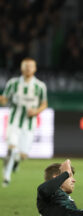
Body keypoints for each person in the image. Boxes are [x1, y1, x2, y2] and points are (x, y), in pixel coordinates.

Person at [1, 58, 47, 187]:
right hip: (14, 121)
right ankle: (6, 177)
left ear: (35, 69)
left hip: (29, 124)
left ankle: (15, 162)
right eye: (25, 66)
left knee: (23, 155)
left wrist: (36, 111)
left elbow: (44, 104)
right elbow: (4, 99)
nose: (28, 68)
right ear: (21, 68)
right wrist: (2, 100)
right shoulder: (13, 83)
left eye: (30, 66)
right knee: (11, 148)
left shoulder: (40, 86)